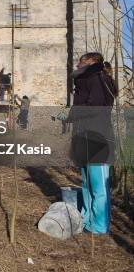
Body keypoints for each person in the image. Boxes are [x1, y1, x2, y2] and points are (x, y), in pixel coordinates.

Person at [67, 52, 116, 234]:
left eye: (80, 62)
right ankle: (87, 221)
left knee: (99, 186)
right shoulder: (84, 81)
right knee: (87, 185)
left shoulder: (99, 79)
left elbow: (96, 106)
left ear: (91, 63)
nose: (77, 66)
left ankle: (99, 226)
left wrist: (72, 113)